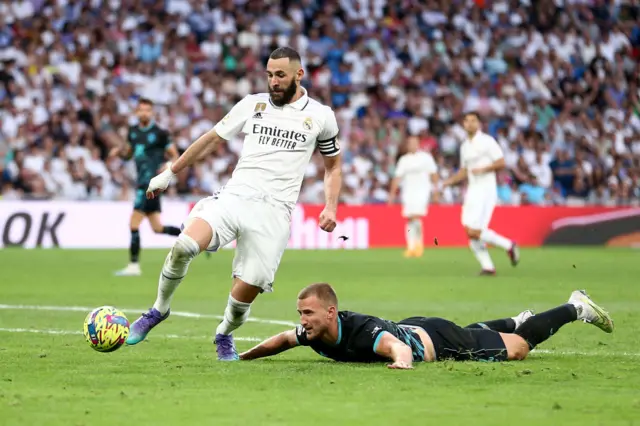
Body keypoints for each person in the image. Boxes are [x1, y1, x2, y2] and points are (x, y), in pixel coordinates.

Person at [124, 47, 343, 361]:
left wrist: (330, 206)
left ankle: (224, 333)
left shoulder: (321, 116)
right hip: (235, 197)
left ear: (299, 74)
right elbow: (211, 138)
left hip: (274, 213)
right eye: (269, 75)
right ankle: (159, 309)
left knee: (243, 299)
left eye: (280, 75)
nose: (273, 82)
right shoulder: (252, 104)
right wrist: (170, 172)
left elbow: (332, 167)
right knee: (184, 245)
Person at [239, 283, 614, 369]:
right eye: (300, 313)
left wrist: (403, 362)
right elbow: (281, 340)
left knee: (517, 348)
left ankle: (574, 307)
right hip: (417, 326)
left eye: (308, 313)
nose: (302, 322)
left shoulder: (362, 330)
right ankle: (516, 319)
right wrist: (245, 356)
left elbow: (394, 347)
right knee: (481, 334)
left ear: (331, 312)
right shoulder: (314, 332)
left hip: (437, 340)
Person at [109, 98, 181, 276]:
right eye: (141, 110)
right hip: (141, 182)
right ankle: (192, 236)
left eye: (148, 110)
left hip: (150, 185)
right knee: (158, 228)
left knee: (133, 223)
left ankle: (134, 266)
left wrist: (168, 165)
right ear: (136, 112)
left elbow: (175, 156)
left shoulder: (160, 133)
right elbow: (128, 155)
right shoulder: (132, 132)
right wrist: (119, 152)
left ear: (152, 113)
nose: (144, 113)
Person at [442, 112, 519, 275]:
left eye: (473, 121)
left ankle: (508, 245)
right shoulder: (464, 146)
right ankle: (488, 266)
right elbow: (464, 171)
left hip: (486, 189)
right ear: (463, 124)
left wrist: (484, 168)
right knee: (469, 231)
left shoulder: (487, 141)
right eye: (466, 121)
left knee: (474, 231)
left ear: (479, 124)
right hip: (472, 190)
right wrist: (449, 181)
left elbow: (501, 162)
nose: (469, 124)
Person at [388, 135, 439, 258]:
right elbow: (397, 177)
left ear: (418, 144)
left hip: (423, 191)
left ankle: (418, 245)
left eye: (414, 143)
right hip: (408, 192)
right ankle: (411, 246)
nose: (412, 145)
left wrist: (436, 192)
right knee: (410, 218)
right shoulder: (404, 160)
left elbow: (434, 175)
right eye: (409, 143)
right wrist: (392, 195)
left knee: (416, 216)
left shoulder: (426, 158)